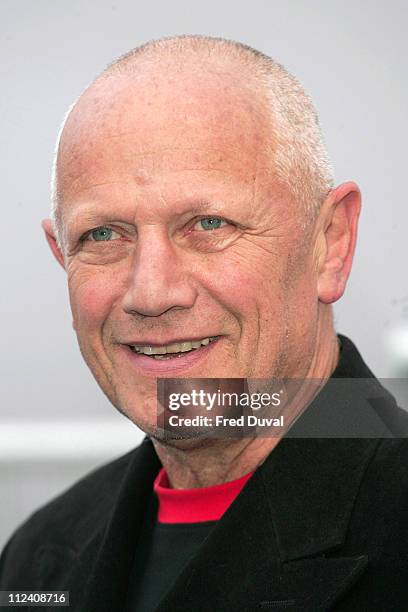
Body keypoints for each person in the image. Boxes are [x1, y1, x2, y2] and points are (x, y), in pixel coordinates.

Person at [1, 35, 407, 611]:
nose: (151, 292)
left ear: (329, 244)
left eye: (208, 224)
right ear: (61, 254)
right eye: (103, 235)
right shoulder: (38, 555)